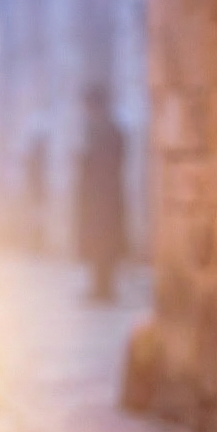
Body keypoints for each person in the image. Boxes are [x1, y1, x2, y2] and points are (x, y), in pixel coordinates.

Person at [76, 83, 126, 301]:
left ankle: (104, 288)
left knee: (104, 242)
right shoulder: (99, 130)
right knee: (97, 243)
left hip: (104, 198)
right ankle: (99, 287)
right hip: (99, 197)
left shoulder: (109, 131)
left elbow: (105, 164)